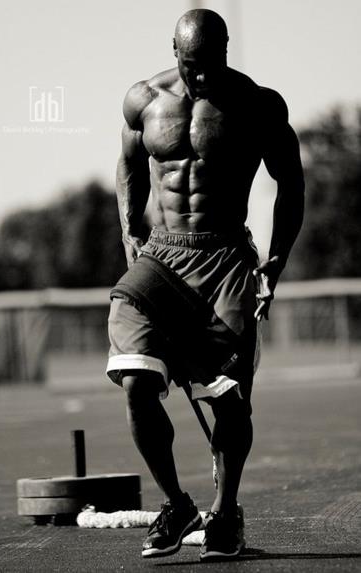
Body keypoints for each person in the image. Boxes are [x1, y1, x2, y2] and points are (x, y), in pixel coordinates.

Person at [106, 8, 304, 561]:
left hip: (225, 257)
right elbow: (127, 165)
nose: (202, 76)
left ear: (226, 51)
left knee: (230, 398)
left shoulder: (258, 105)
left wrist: (277, 260)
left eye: (212, 63)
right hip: (162, 254)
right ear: (175, 52)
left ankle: (225, 512)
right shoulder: (143, 99)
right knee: (136, 381)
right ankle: (177, 506)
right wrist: (129, 230)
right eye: (193, 65)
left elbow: (291, 182)